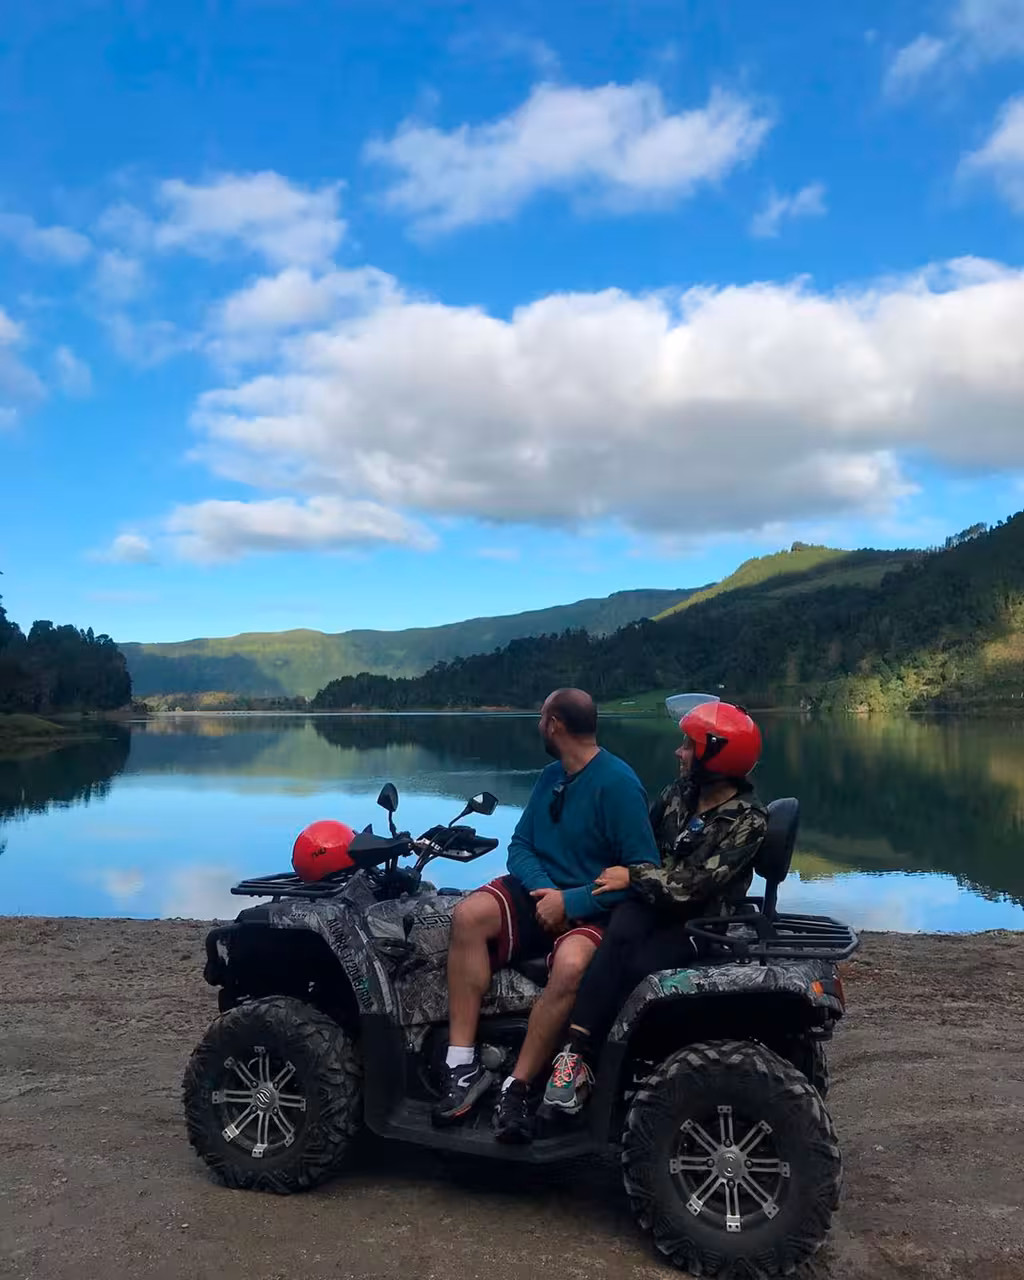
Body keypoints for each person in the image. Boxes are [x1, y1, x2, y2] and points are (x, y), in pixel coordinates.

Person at [433, 687, 660, 1141]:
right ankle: (462, 1065)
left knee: (573, 965)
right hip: (543, 895)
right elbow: (519, 846)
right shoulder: (550, 777)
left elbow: (643, 874)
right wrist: (546, 893)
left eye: (541, 718)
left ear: (554, 724)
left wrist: (571, 903)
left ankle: (516, 1086)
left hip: (594, 910)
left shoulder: (618, 784)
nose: (539, 725)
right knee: (469, 915)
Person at [541, 700, 768, 1116]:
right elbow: (638, 846)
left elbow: (695, 885)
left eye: (688, 747)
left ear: (716, 756)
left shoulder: (747, 820)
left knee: (633, 965)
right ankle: (574, 1054)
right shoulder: (679, 794)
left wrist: (633, 878)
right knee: (620, 929)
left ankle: (599, 1066)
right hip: (653, 911)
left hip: (704, 927)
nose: (679, 753)